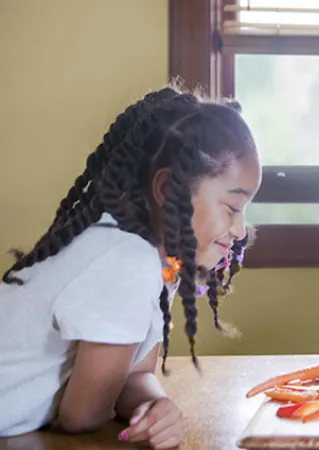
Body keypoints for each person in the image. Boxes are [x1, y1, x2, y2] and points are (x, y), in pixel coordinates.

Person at [0, 86, 261, 449]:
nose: (239, 230)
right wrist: (128, 404)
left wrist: (154, 405)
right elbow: (82, 416)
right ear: (169, 189)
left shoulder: (159, 261)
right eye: (232, 208)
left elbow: (134, 372)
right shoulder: (127, 262)